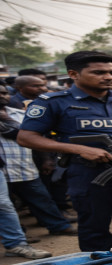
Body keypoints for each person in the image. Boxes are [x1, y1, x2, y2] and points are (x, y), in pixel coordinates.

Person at [17, 51, 112, 252]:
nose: (109, 77)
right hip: (89, 173)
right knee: (94, 227)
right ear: (73, 74)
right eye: (99, 72)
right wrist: (79, 149)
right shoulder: (52, 102)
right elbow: (26, 137)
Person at [0, 84, 77, 237]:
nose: (3, 96)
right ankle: (17, 236)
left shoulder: (18, 114)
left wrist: (46, 159)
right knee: (7, 205)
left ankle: (58, 226)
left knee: (41, 199)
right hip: (2, 170)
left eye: (5, 93)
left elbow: (37, 138)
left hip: (24, 166)